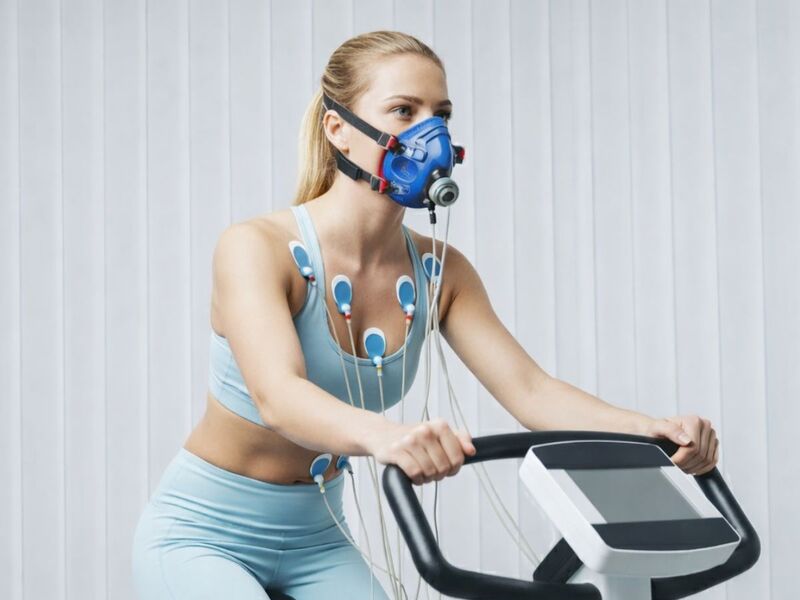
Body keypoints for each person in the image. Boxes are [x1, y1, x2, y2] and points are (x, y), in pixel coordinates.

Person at [131, 30, 719, 600]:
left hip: (318, 537)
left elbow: (531, 390)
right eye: (403, 111)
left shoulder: (441, 271)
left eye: (441, 113)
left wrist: (649, 429)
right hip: (204, 533)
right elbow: (278, 396)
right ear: (339, 129)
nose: (430, 134)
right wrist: (390, 438)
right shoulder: (255, 247)